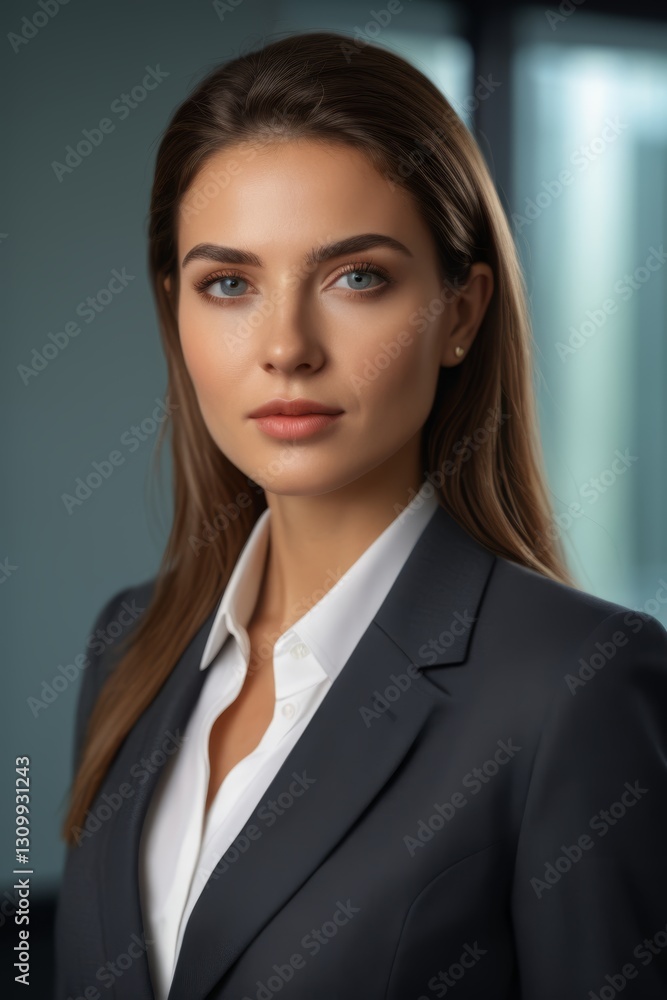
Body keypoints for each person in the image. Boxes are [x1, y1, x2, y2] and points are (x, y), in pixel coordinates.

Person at [54, 30, 667, 1000]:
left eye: (356, 277)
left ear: (461, 313)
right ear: (175, 310)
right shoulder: (125, 644)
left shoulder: (573, 688)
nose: (286, 345)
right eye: (229, 285)